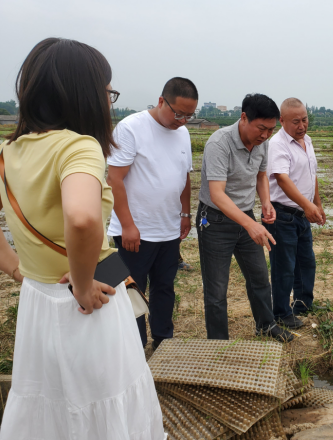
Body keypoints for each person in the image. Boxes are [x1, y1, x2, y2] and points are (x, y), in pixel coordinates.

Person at [0, 38, 164, 439]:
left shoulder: (9, 150)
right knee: (103, 401)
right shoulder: (79, 146)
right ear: (83, 93)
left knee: (48, 402)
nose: (109, 99)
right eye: (107, 90)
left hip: (39, 298)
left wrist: (18, 270)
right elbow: (82, 217)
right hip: (89, 300)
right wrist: (85, 283)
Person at [196, 93, 294, 342]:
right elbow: (217, 195)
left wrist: (266, 202)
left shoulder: (263, 142)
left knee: (259, 276)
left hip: (246, 217)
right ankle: (219, 343)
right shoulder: (219, 143)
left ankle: (266, 324)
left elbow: (261, 175)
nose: (265, 135)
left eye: (271, 130)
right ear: (243, 118)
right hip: (216, 221)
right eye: (261, 128)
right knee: (217, 288)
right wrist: (250, 224)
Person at [106, 77, 195, 350]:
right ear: (161, 101)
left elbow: (185, 177)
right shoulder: (131, 128)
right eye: (177, 112)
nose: (181, 120)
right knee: (132, 289)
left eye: (189, 116)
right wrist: (128, 225)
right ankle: (134, 345)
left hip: (168, 228)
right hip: (135, 231)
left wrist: (185, 214)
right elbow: (115, 179)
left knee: (164, 287)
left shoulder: (183, 133)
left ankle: (162, 339)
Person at [265, 98, 326, 329]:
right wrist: (307, 206)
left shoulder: (306, 140)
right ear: (281, 121)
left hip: (301, 215)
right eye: (295, 122)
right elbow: (282, 179)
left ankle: (302, 303)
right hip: (283, 216)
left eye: (305, 119)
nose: (302, 126)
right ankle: (281, 312)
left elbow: (312, 175)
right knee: (284, 267)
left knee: (306, 262)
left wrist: (316, 204)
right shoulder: (277, 144)